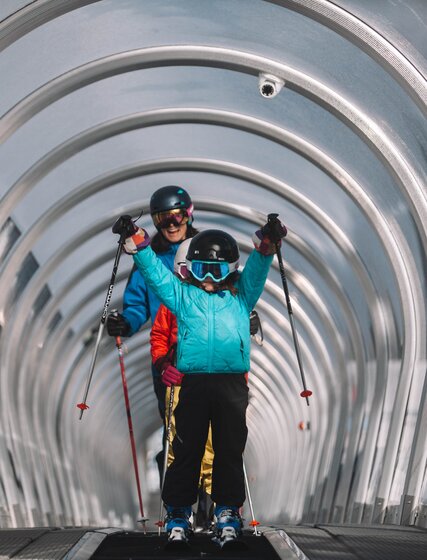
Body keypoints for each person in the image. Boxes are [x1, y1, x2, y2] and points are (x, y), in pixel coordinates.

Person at [120, 215, 287, 545]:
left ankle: (227, 509)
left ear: (230, 270)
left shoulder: (241, 297)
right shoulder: (184, 297)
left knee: (228, 449)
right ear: (190, 270)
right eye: (201, 270)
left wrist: (268, 243)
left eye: (217, 270)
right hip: (193, 384)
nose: (209, 278)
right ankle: (179, 510)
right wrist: (138, 242)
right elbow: (156, 277)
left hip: (231, 385)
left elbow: (258, 269)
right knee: (186, 449)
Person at [106, 185, 198, 475]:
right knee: (175, 426)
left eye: (177, 216)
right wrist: (126, 323)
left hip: (207, 351)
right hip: (167, 356)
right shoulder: (150, 259)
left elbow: (231, 293)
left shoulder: (206, 251)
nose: (171, 225)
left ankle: (212, 497)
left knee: (212, 425)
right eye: (163, 219)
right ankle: (177, 499)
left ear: (189, 215)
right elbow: (137, 305)